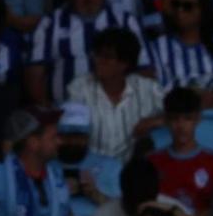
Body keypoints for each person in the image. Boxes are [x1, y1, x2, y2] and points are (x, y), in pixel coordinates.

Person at [24, 0, 145, 107]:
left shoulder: (126, 22)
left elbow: (145, 70)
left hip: (118, 109)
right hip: (66, 112)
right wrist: (50, 112)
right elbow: (34, 76)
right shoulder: (49, 24)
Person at [66, 27, 162, 164]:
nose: (99, 60)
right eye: (97, 54)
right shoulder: (79, 88)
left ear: (124, 63)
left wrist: (156, 121)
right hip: (91, 171)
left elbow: (185, 110)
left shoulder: (148, 88)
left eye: (107, 57)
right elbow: (71, 138)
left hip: (133, 172)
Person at [147, 86, 213, 216]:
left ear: (198, 119)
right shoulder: (151, 162)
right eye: (175, 119)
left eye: (188, 118)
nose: (181, 126)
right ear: (166, 121)